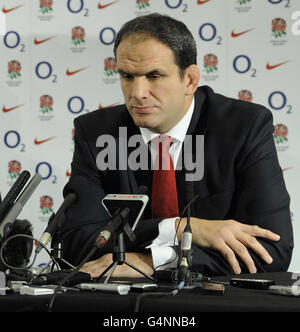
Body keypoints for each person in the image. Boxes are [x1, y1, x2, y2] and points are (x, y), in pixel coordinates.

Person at [60, 13, 293, 278]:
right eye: (127, 76)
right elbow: (76, 246)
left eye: (154, 76)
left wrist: (153, 260)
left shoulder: (243, 127)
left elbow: (271, 251)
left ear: (190, 80)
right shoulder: (96, 134)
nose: (137, 93)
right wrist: (179, 228)